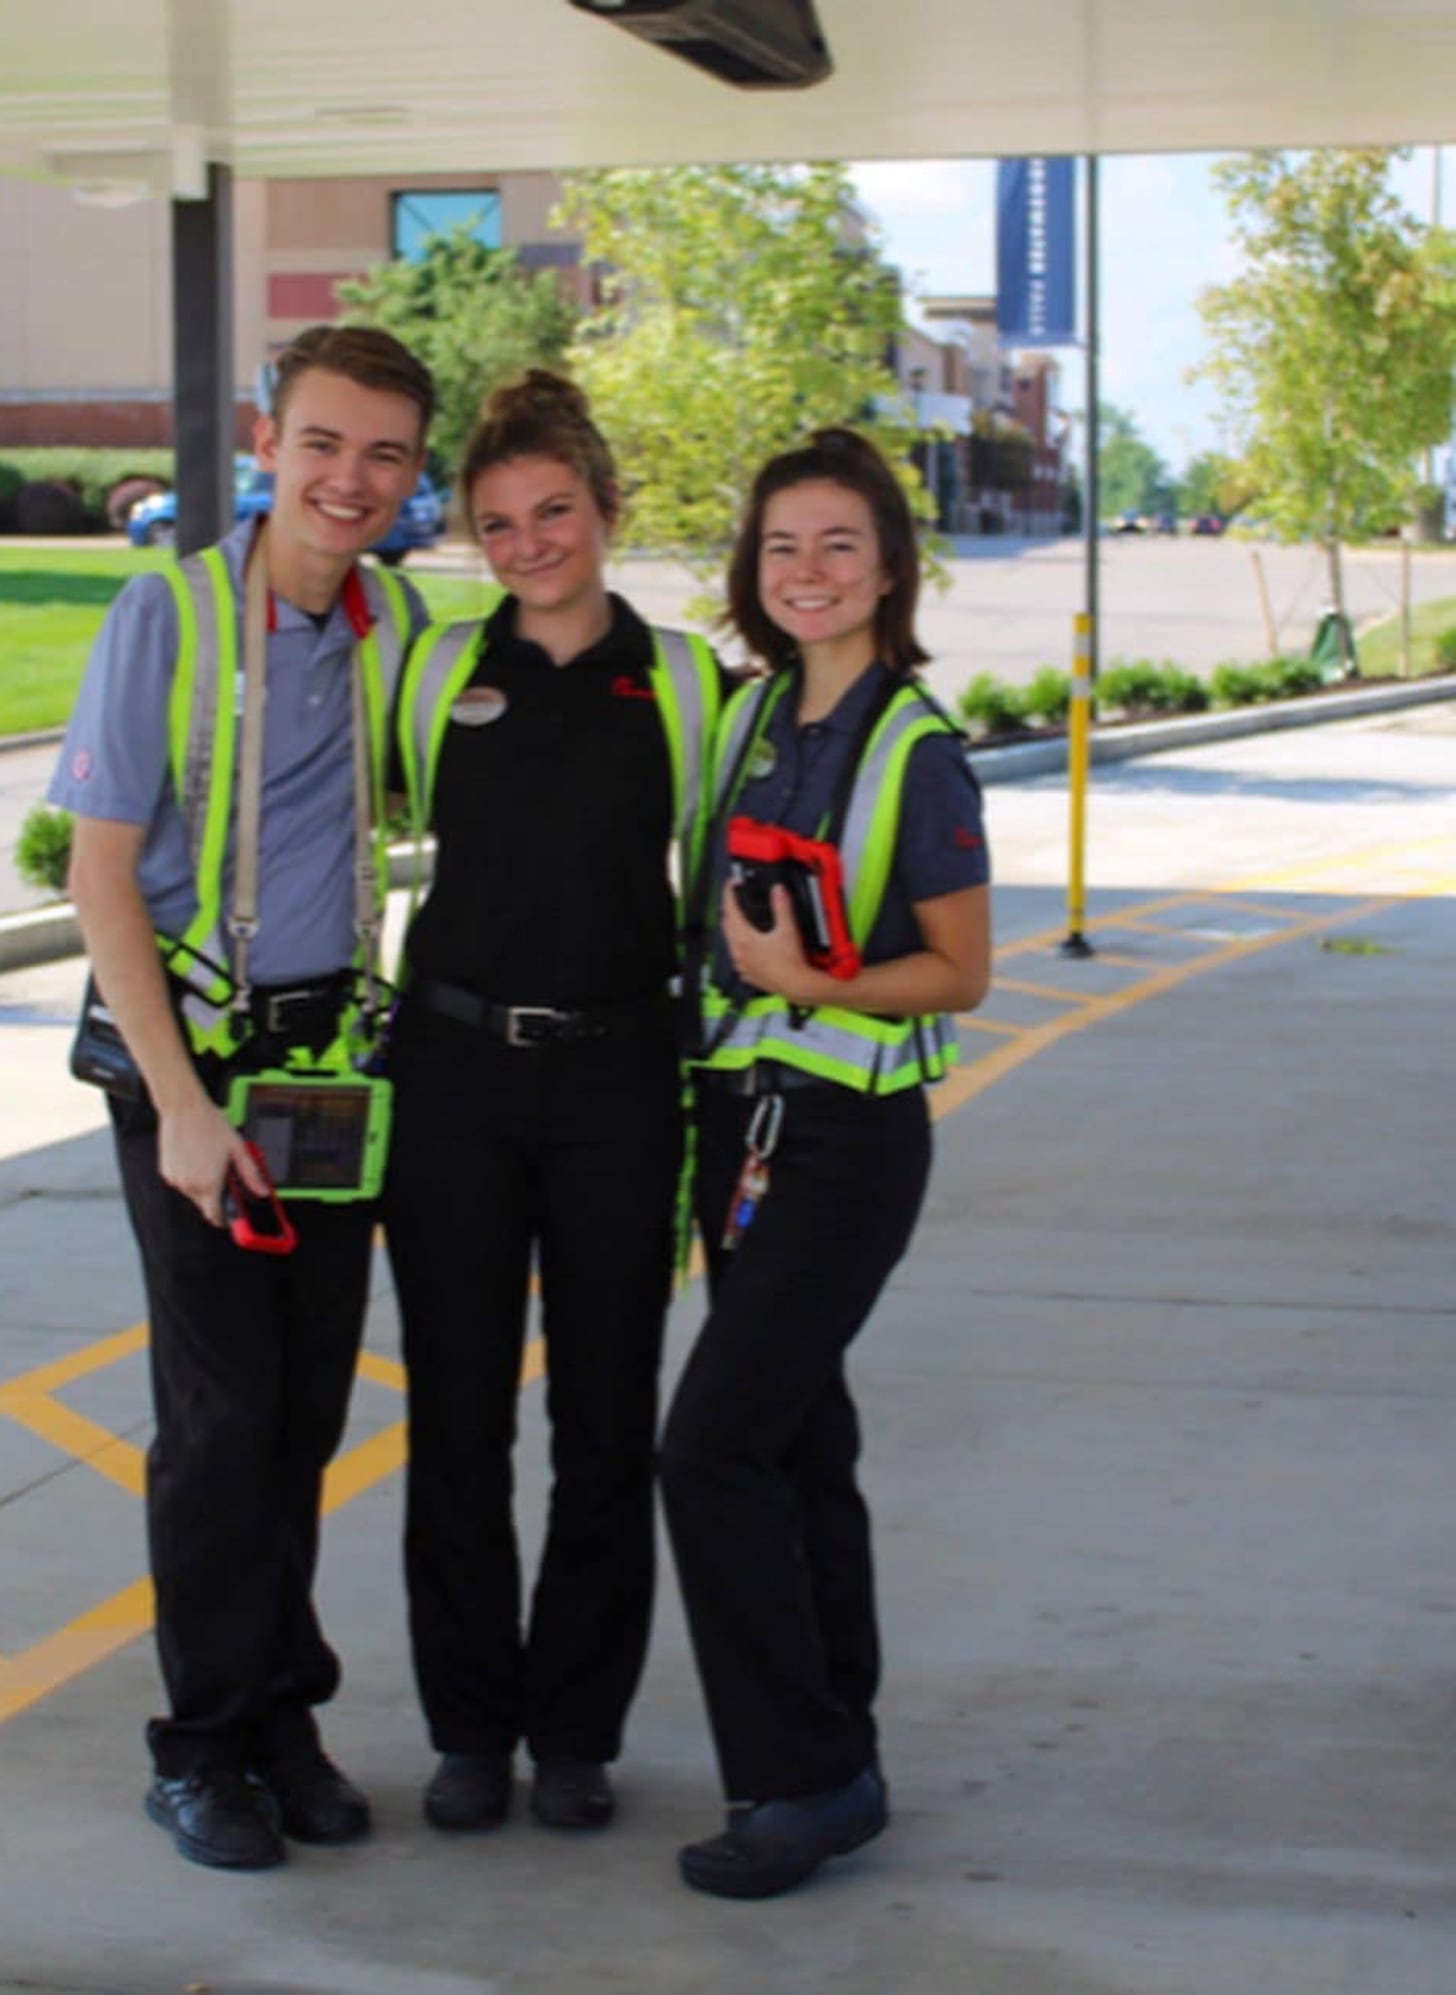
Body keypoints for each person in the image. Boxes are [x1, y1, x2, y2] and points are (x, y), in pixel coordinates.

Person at [49, 324, 435, 1871]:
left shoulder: (396, 624)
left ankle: (285, 1716)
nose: (352, 481)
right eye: (327, 444)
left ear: (416, 477)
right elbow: (99, 879)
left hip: (325, 1069)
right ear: (270, 441)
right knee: (217, 1425)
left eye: (388, 456)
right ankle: (200, 1746)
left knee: (303, 1418)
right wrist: (182, 1109)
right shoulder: (170, 615)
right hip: (193, 1073)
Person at [381, 371, 722, 1836]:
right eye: (496, 523)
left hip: (617, 1084)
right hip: (450, 1081)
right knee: (456, 1420)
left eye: (553, 514)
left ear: (607, 510)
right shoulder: (430, 672)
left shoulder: (691, 682)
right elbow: (384, 822)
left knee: (604, 1421)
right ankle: (469, 1730)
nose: (526, 544)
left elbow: (711, 889)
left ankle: (574, 1733)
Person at [659, 427, 992, 1899]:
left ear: (891, 569)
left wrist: (814, 986)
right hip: (741, 1127)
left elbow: (965, 971)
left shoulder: (920, 753)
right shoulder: (742, 724)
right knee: (799, 1444)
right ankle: (842, 1743)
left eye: (838, 545)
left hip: (849, 1141)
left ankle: (800, 1779)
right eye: (782, 545)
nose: (807, 572)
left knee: (711, 1446)